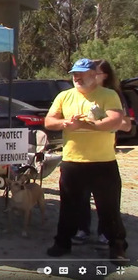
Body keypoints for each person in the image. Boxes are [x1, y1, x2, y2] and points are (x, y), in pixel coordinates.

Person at [45, 58, 129, 267]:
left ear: (94, 75)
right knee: (69, 207)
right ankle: (62, 243)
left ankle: (117, 246)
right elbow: (49, 121)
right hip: (73, 161)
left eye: (82, 74)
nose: (77, 77)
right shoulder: (64, 96)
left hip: (103, 162)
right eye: (74, 74)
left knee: (109, 208)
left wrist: (87, 125)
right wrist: (65, 123)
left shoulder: (108, 95)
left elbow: (115, 120)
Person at [72, 59, 133, 248]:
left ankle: (106, 233)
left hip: (103, 154)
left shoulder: (113, 96)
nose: (88, 76)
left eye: (94, 73)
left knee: (105, 198)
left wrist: (103, 118)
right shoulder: (78, 95)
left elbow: (126, 125)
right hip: (79, 154)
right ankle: (82, 229)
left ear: (104, 75)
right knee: (80, 196)